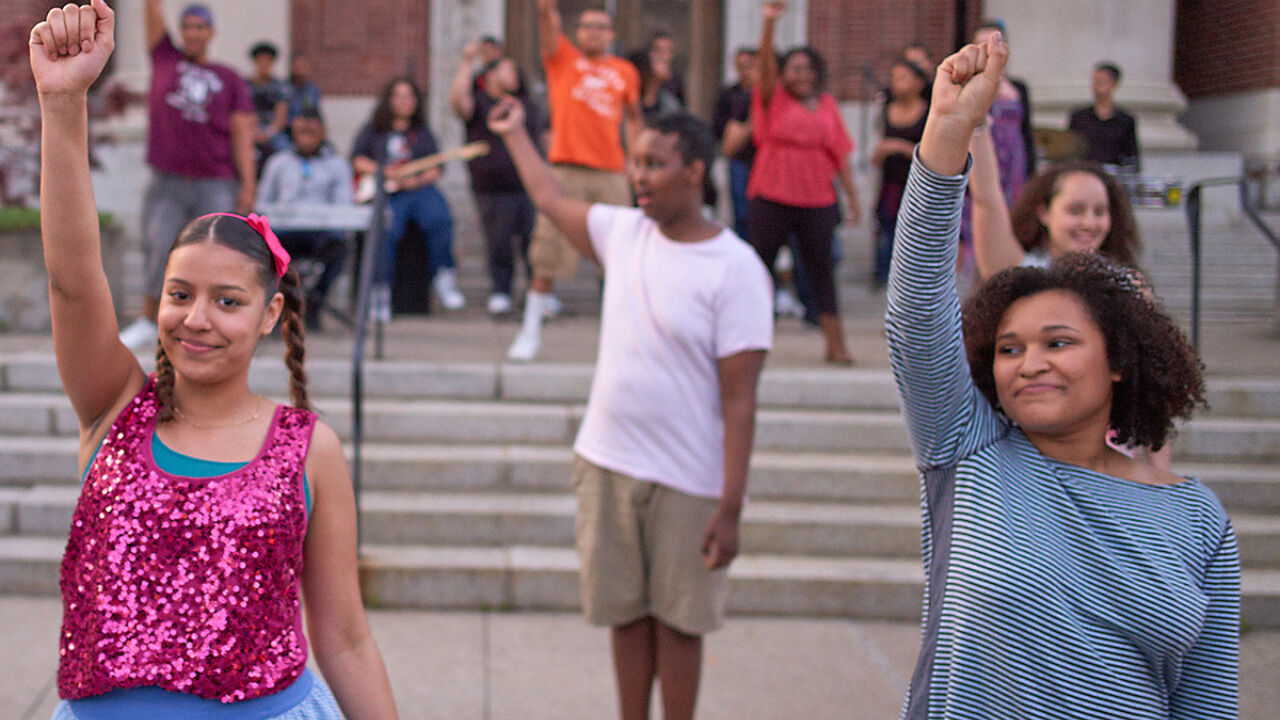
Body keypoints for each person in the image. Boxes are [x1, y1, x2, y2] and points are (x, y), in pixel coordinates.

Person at [29, 3, 400, 719]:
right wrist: (62, 101)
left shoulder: (308, 448)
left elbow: (345, 637)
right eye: (178, 294)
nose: (195, 319)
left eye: (227, 301)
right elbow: (73, 277)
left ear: (268, 317)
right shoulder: (112, 405)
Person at [887, 32, 1239, 718]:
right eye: (1009, 349)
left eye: (1057, 342)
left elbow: (1206, 704)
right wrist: (948, 132)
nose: (1030, 363)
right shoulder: (970, 450)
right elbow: (913, 310)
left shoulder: (1201, 522)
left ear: (1119, 362)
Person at [489, 96, 771, 720]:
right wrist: (515, 133)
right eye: (635, 163)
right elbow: (550, 197)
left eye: (654, 163)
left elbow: (741, 399)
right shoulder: (623, 233)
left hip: (689, 481)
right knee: (624, 614)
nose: (637, 175)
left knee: (678, 623)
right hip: (608, 464)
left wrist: (730, 506)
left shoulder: (737, 269)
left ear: (695, 170)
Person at [507, 0, 642, 361]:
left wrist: (636, 158)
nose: (593, 32)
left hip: (612, 171)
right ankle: (531, 331)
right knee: (548, 252)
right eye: (586, 26)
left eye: (600, 26)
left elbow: (633, 118)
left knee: (622, 256)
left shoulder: (625, 71)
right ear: (577, 32)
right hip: (566, 169)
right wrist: (545, 9)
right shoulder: (563, 60)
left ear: (612, 34)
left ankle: (628, 338)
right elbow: (546, 19)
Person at [118, 0, 256, 350]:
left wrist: (248, 185)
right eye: (188, 26)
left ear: (210, 33)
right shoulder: (166, 58)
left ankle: (220, 323)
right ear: (182, 31)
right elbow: (151, 12)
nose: (194, 32)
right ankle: (150, 320)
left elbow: (243, 133)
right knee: (159, 245)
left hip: (215, 180)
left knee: (219, 253)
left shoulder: (229, 78)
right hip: (168, 179)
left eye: (200, 26)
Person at [747, 1, 859, 364]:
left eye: (806, 68)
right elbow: (765, 66)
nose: (800, 74)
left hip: (818, 198)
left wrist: (854, 201)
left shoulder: (827, 104)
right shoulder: (772, 97)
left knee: (822, 271)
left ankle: (835, 344)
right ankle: (746, 341)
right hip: (772, 193)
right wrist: (769, 24)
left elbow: (840, 155)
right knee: (756, 268)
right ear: (783, 74)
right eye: (793, 68)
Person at [351, 77, 464, 319]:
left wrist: (416, 180)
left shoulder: (422, 132)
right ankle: (379, 293)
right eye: (399, 96)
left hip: (418, 190)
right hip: (389, 191)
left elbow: (436, 167)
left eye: (410, 96)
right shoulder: (374, 129)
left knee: (440, 218)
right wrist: (382, 172)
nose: (405, 101)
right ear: (389, 100)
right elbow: (357, 159)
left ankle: (444, 276)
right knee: (386, 230)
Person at [449, 41, 541, 316]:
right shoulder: (479, 103)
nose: (513, 75)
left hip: (527, 185)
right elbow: (458, 102)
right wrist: (466, 61)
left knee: (533, 243)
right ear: (490, 75)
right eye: (506, 70)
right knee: (499, 243)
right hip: (492, 188)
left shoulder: (526, 105)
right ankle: (501, 292)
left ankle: (537, 294)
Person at [256, 109, 353, 332]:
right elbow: (263, 203)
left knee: (340, 247)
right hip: (285, 231)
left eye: (312, 131)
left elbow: (344, 206)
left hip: (321, 231)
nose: (306, 136)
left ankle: (315, 301)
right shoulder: (278, 163)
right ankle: (278, 303)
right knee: (263, 249)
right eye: (301, 131)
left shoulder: (337, 165)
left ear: (322, 132)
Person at [869, 56, 929, 288]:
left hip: (916, 182)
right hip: (890, 182)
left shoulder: (928, 111)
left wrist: (902, 148)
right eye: (894, 78)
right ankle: (884, 274)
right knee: (887, 227)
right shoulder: (886, 109)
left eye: (903, 78)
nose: (897, 83)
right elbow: (877, 149)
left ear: (918, 82)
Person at [711, 47, 758, 241]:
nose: (745, 71)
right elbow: (719, 126)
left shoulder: (766, 94)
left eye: (748, 66)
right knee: (741, 212)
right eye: (740, 67)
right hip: (739, 159)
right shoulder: (730, 93)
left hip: (762, 160)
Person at [1069, 63, 1140, 172]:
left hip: (1114, 177)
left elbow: (1131, 156)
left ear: (1114, 84)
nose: (1096, 86)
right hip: (1085, 174)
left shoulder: (1125, 120)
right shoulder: (1079, 117)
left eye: (1101, 81)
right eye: (1094, 81)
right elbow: (1068, 150)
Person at [247, 41, 291, 173]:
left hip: (273, 131)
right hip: (250, 128)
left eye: (268, 61)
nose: (264, 64)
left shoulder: (279, 86)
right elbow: (244, 112)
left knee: (285, 151)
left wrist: (268, 132)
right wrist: (253, 132)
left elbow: (281, 116)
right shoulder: (246, 85)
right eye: (261, 61)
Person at [647, 31, 686, 106]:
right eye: (657, 50)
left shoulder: (676, 80)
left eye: (665, 51)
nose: (661, 55)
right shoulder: (641, 77)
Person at [285, 53, 322, 123]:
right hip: (290, 126)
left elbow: (316, 112)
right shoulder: (284, 88)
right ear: (292, 67)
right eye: (299, 65)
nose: (302, 68)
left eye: (304, 65)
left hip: (308, 125)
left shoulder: (312, 89)